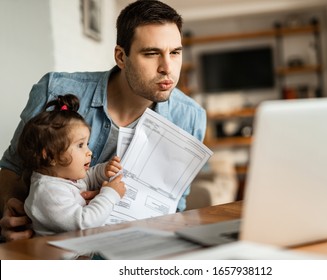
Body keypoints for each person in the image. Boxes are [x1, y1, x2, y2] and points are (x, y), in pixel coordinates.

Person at [0, 0, 206, 241]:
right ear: (121, 56)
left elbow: (175, 205)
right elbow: (12, 169)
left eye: (175, 52)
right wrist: (11, 215)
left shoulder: (190, 117)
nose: (167, 67)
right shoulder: (55, 89)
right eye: (151, 53)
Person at [18, 94, 126, 236]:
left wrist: (103, 171)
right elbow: (83, 223)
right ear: (50, 155)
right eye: (80, 145)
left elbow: (86, 179)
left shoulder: (62, 176)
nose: (89, 152)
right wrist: (110, 195)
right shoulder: (49, 193)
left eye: (87, 144)